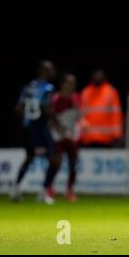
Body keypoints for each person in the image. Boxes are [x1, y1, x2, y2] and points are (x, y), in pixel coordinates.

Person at [11, 60, 65, 204]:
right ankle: (43, 191)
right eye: (50, 68)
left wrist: (27, 122)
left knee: (29, 157)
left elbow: (18, 108)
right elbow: (48, 109)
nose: (53, 71)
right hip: (40, 128)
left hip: (28, 128)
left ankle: (15, 189)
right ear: (42, 71)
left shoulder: (28, 87)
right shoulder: (47, 88)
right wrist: (59, 126)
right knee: (55, 159)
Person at [51, 73, 81, 202]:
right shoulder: (55, 98)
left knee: (73, 164)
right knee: (55, 164)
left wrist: (76, 132)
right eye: (69, 83)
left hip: (72, 136)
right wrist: (60, 132)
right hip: (57, 136)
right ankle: (49, 188)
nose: (72, 86)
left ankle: (69, 190)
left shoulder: (76, 98)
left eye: (73, 83)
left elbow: (78, 117)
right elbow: (51, 118)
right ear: (63, 84)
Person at [79, 70, 123, 148]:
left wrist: (117, 134)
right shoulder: (86, 91)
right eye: (96, 76)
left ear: (104, 78)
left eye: (100, 76)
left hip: (106, 138)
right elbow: (80, 113)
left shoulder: (110, 91)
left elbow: (116, 114)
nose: (97, 78)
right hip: (88, 138)